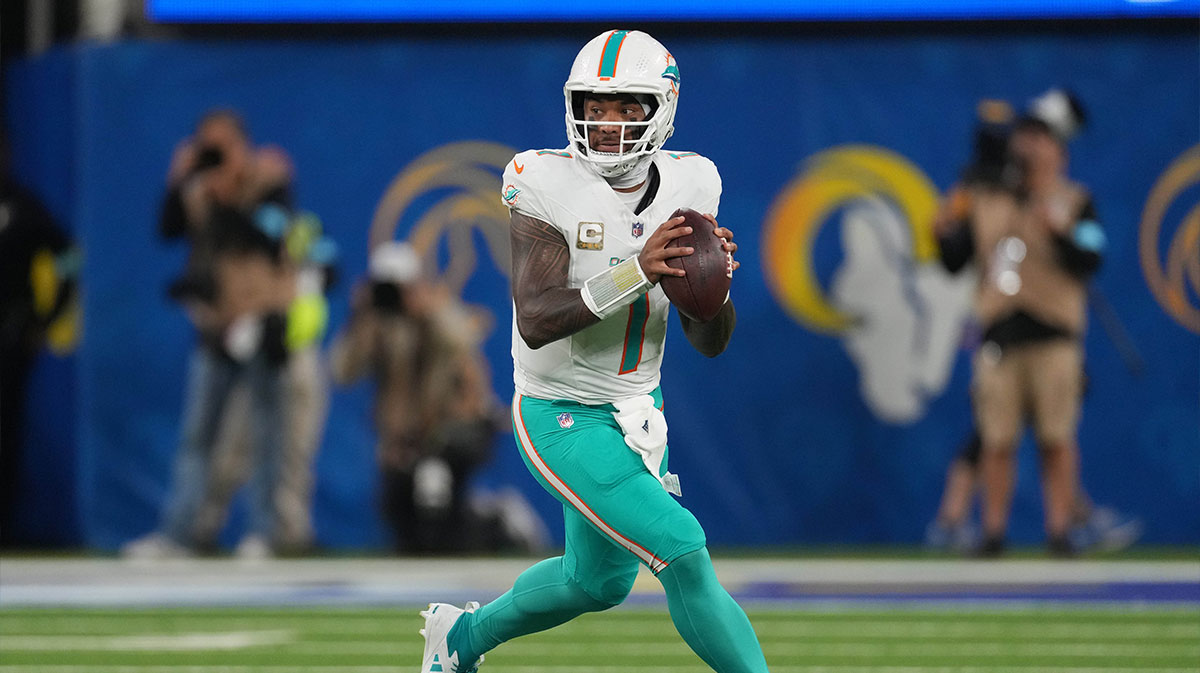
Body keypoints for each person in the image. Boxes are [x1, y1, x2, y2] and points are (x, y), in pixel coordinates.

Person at [418, 30, 768, 673]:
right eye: (594, 105)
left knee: (596, 583)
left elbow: (710, 343)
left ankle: (461, 640)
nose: (606, 122)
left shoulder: (694, 181)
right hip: (560, 413)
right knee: (683, 548)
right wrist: (639, 269)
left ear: (661, 107)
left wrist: (710, 293)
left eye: (626, 105)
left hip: (638, 407)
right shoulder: (543, 179)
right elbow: (536, 317)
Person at [935, 89, 1108, 557]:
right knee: (996, 441)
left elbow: (1093, 255)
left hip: (1054, 336)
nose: (1029, 147)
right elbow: (956, 260)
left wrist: (1062, 232)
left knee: (1057, 438)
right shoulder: (989, 199)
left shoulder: (1075, 201)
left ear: (1059, 151)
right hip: (1000, 336)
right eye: (1025, 137)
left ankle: (1060, 530)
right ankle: (992, 532)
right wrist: (942, 234)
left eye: (1041, 139)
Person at [123, 109, 300, 558]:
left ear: (243, 145)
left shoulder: (269, 178)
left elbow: (266, 237)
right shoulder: (197, 187)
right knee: (198, 435)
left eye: (222, 146)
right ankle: (179, 533)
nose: (215, 156)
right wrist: (176, 179)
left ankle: (263, 533)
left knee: (265, 434)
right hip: (216, 324)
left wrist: (228, 200)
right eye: (207, 146)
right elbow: (166, 231)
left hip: (260, 321)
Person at [330, 241, 508, 554]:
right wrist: (359, 320)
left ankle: (498, 523)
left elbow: (463, 345)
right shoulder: (377, 326)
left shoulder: (437, 312)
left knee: (438, 506)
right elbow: (342, 373)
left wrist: (428, 311)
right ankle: (486, 520)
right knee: (400, 518)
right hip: (403, 439)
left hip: (447, 432)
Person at [0, 136, 80, 547]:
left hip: (10, 335)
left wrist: (43, 321)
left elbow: (66, 258)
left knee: (7, 431)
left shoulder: (24, 206)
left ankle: (6, 527)